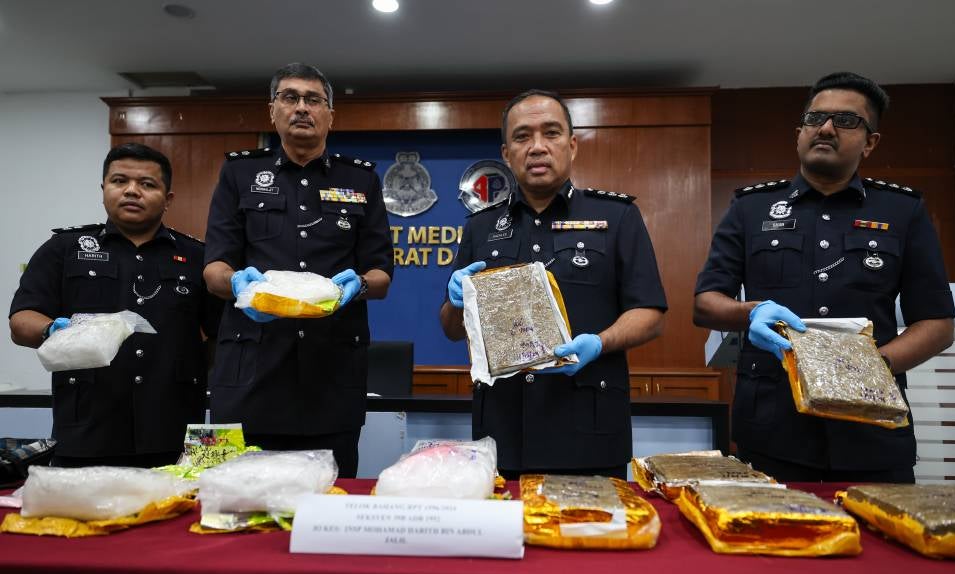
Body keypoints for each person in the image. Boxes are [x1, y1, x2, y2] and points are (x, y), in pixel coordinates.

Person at [693, 72, 955, 483]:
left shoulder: (902, 211)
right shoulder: (751, 208)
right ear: (799, 133)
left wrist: (872, 366)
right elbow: (706, 302)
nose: (827, 128)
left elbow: (937, 324)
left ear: (871, 142)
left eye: (847, 121)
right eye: (816, 119)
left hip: (872, 430)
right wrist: (751, 312)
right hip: (771, 428)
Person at [440, 89, 666, 479]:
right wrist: (456, 300)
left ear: (573, 145)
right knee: (506, 538)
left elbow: (650, 313)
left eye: (551, 133)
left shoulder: (617, 217)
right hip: (502, 432)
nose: (537, 147)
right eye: (522, 137)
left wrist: (600, 342)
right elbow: (450, 330)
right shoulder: (480, 227)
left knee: (591, 537)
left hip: (589, 430)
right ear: (507, 153)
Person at [203, 63, 393, 478]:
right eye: (290, 98)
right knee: (233, 499)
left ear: (330, 115)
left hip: (332, 374)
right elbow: (215, 265)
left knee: (329, 501)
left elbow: (381, 274)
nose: (302, 108)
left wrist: (357, 285)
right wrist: (237, 284)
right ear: (272, 111)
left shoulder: (361, 179)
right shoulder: (239, 172)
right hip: (249, 370)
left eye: (314, 100)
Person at [9, 143, 222, 467]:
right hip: (85, 431)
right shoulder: (64, 249)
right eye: (120, 181)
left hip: (175, 432)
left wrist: (183, 366)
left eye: (147, 184)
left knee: (176, 517)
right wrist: (52, 330)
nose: (132, 191)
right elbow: (21, 321)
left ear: (168, 199)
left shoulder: (197, 257)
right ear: (104, 189)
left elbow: (221, 336)